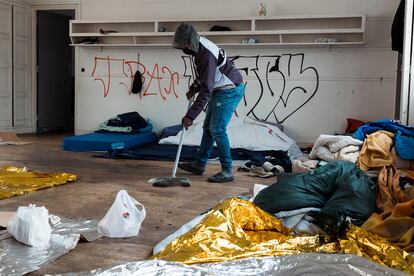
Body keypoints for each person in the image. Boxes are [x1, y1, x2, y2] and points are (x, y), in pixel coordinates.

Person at [172, 23, 245, 183]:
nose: (183, 50)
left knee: (217, 129)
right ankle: (200, 164)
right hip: (220, 89)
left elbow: (206, 89)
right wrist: (194, 87)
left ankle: (227, 170)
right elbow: (206, 76)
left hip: (229, 89)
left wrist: (190, 116)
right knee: (208, 128)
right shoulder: (200, 47)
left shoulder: (205, 54)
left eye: (184, 46)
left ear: (190, 43)